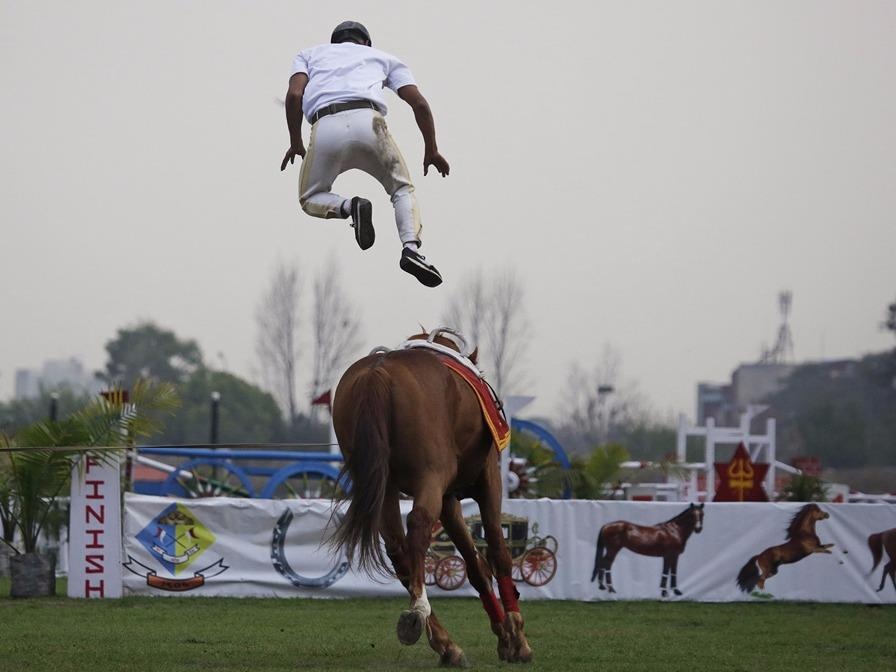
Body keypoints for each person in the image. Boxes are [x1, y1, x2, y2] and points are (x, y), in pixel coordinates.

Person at [281, 21, 450, 287]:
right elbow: (419, 103)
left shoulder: (310, 54)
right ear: (366, 44)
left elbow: (294, 95)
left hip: (325, 126)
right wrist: (431, 149)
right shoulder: (382, 58)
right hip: (370, 123)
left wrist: (295, 141)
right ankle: (411, 249)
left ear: (334, 43)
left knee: (310, 196)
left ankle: (350, 206)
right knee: (402, 189)